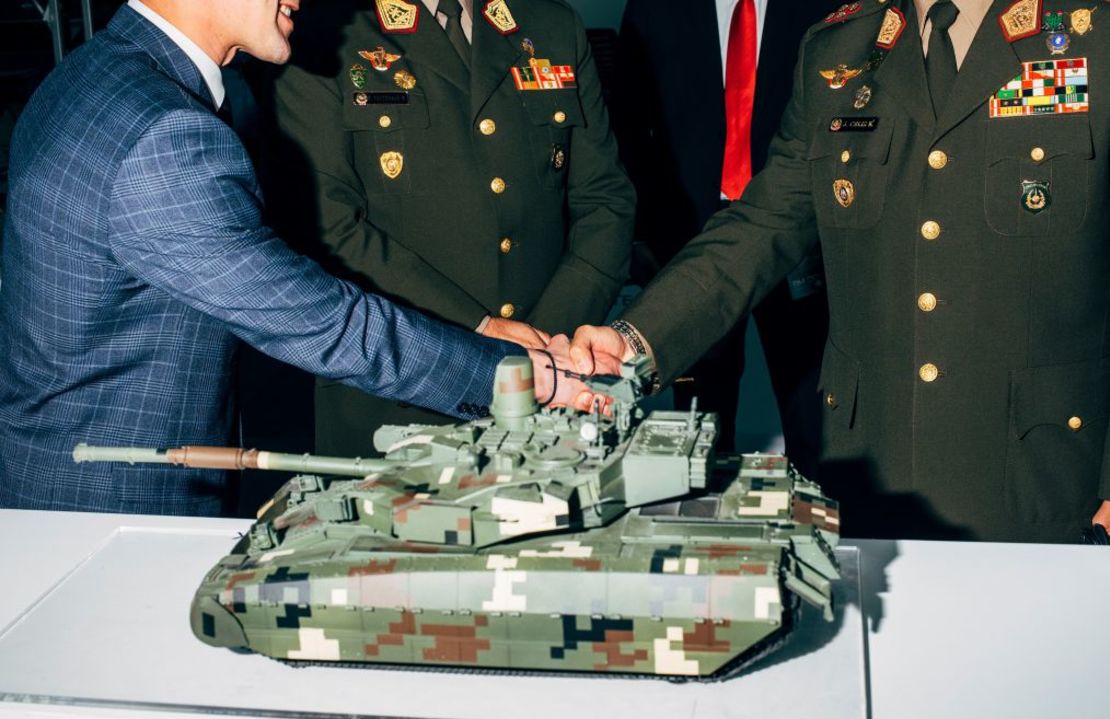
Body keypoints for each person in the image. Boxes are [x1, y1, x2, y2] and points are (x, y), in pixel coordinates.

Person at [0, 0, 604, 517]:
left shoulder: (94, 75)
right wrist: (521, 374)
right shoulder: (164, 131)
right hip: (116, 502)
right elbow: (330, 326)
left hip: (69, 476)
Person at [570, 0, 1110, 544]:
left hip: (1043, 482)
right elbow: (760, 225)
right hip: (866, 481)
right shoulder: (839, 48)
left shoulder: (1094, 36)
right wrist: (633, 340)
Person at [255, 0, 635, 457]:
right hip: (398, 402)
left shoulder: (551, 25)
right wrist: (477, 329)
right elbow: (328, 227)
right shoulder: (318, 32)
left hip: (557, 387)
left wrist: (550, 341)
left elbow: (605, 201)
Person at [611, 0, 839, 469]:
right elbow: (629, 123)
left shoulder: (829, 9)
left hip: (798, 235)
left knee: (812, 409)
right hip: (692, 241)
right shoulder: (656, 9)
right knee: (701, 420)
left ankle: (827, 517)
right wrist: (650, 236)